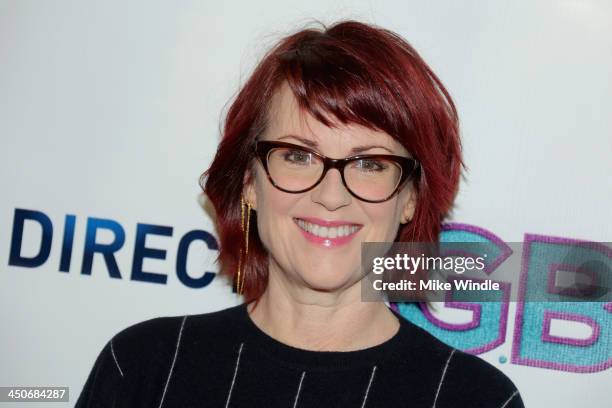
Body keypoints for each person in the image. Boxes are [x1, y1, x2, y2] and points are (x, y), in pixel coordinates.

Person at [75, 20, 525, 407]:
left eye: (370, 163)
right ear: (249, 181)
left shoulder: (475, 399)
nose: (331, 195)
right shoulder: (143, 367)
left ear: (408, 196)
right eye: (298, 156)